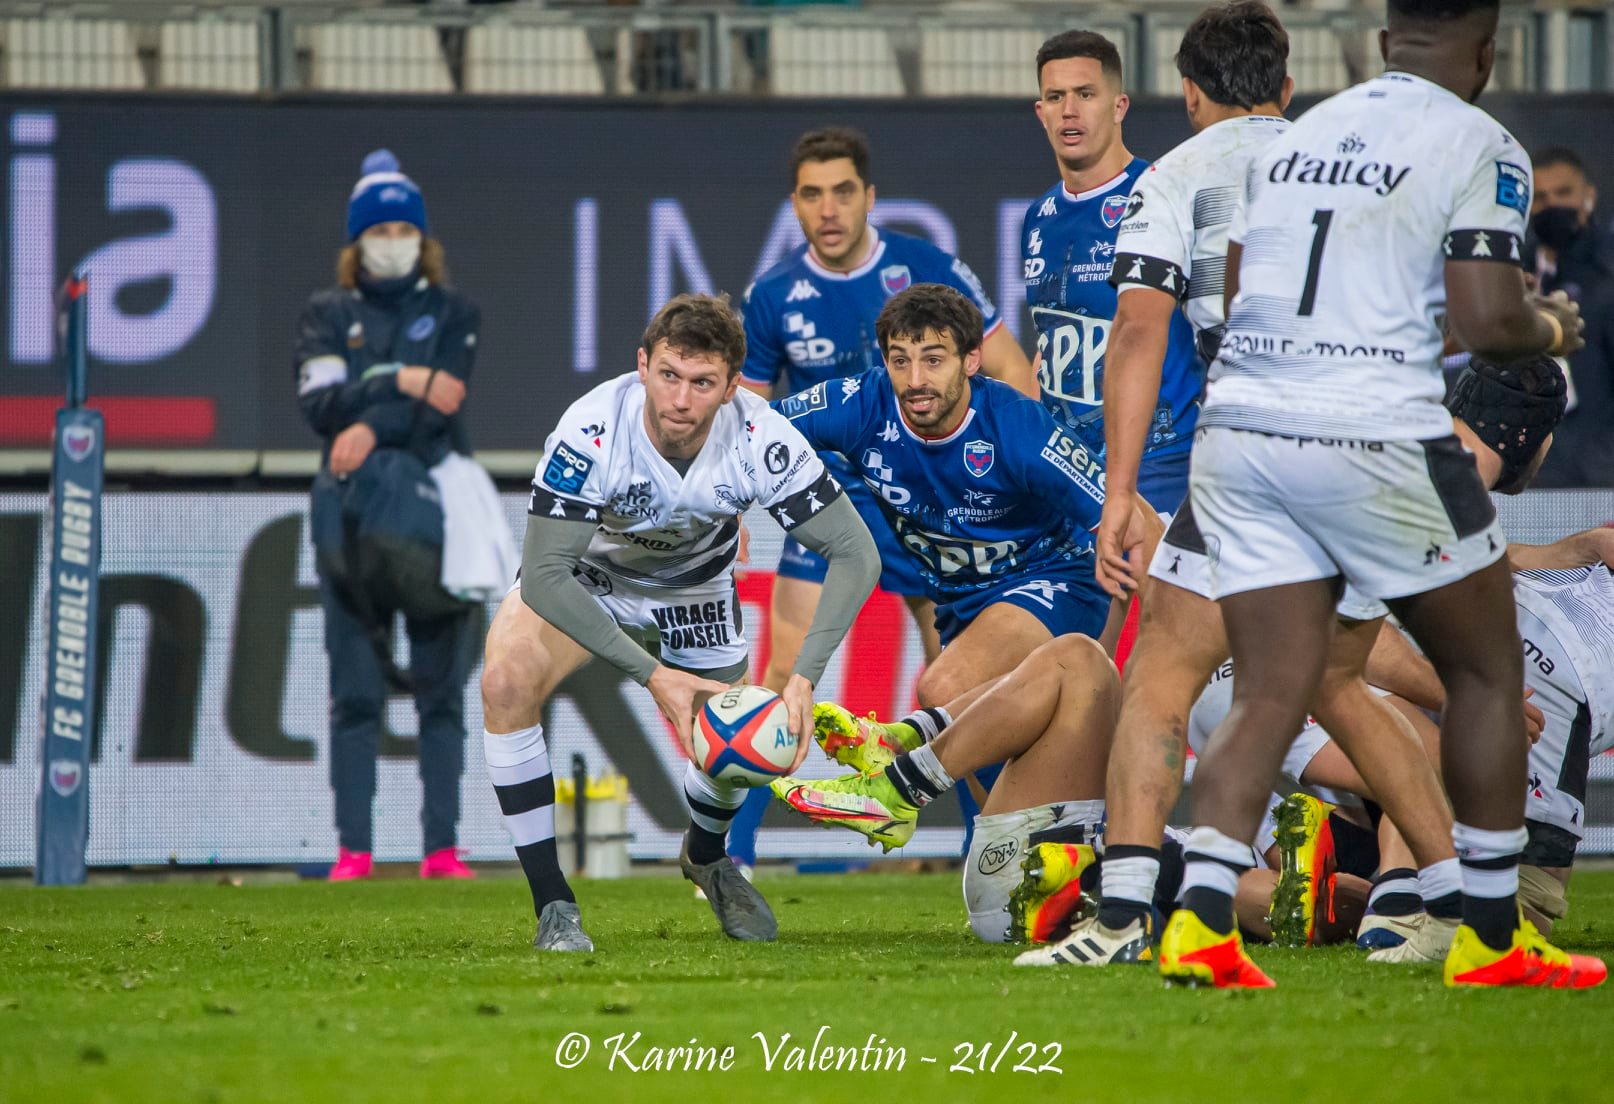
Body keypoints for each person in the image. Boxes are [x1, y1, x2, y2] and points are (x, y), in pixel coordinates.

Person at [1164, 0, 1600, 989]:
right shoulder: (1480, 143)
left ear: (1382, 39)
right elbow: (1491, 320)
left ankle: (1198, 924)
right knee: (1487, 669)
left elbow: (1236, 295)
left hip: (1243, 433)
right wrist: (1554, 328)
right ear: (1489, 52)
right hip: (1368, 432)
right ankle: (1492, 933)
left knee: (1277, 685)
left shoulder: (1296, 135)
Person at [477, 293, 878, 951]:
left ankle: (707, 855)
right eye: (668, 374)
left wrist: (804, 678)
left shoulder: (761, 436)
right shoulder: (590, 431)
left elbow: (856, 554)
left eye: (702, 383)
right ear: (642, 365)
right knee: (503, 684)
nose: (680, 399)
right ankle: (554, 901)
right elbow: (546, 574)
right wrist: (652, 675)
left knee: (738, 745)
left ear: (730, 390)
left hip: (694, 593)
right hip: (586, 581)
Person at [732, 126, 1038, 870]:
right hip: (830, 509)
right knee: (778, 676)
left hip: (935, 502)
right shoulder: (771, 297)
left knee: (958, 681)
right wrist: (730, 515)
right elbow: (744, 420)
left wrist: (1002, 485)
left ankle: (984, 849)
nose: (829, 209)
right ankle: (728, 852)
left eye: (843, 192)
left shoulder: (928, 270)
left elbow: (1013, 375)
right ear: (794, 205)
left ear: (870, 197)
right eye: (812, 194)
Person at [767, 283, 1148, 841]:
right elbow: (751, 431)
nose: (915, 380)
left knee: (945, 684)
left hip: (1055, 580)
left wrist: (1161, 647)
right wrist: (721, 502)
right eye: (900, 361)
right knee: (1004, 804)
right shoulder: (861, 405)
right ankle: (1061, 847)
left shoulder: (1016, 428)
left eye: (934, 360)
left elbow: (1126, 526)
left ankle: (898, 777)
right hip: (965, 606)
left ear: (972, 361)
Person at [296, 149, 481, 883]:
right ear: (357, 240)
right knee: (355, 695)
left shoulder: (455, 312)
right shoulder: (325, 312)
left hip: (436, 520)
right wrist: (399, 379)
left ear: (423, 237)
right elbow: (316, 405)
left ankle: (440, 850)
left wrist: (369, 416)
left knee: (443, 691)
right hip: (344, 521)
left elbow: (444, 410)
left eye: (407, 226)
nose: (394, 238)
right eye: (382, 227)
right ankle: (355, 851)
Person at [1023, 29, 1204, 512]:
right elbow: (1050, 342)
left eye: (1085, 94)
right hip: (1069, 473)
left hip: (1159, 464)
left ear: (1119, 106)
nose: (1069, 110)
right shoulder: (1037, 216)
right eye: (1055, 96)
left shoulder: (1162, 194)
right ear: (1040, 113)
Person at [1527, 146, 1614, 488]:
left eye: (1563, 193)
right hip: (1531, 470)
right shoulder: (1511, 274)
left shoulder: (1608, 274)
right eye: (1540, 197)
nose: (1552, 205)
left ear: (1589, 196)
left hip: (1600, 468)